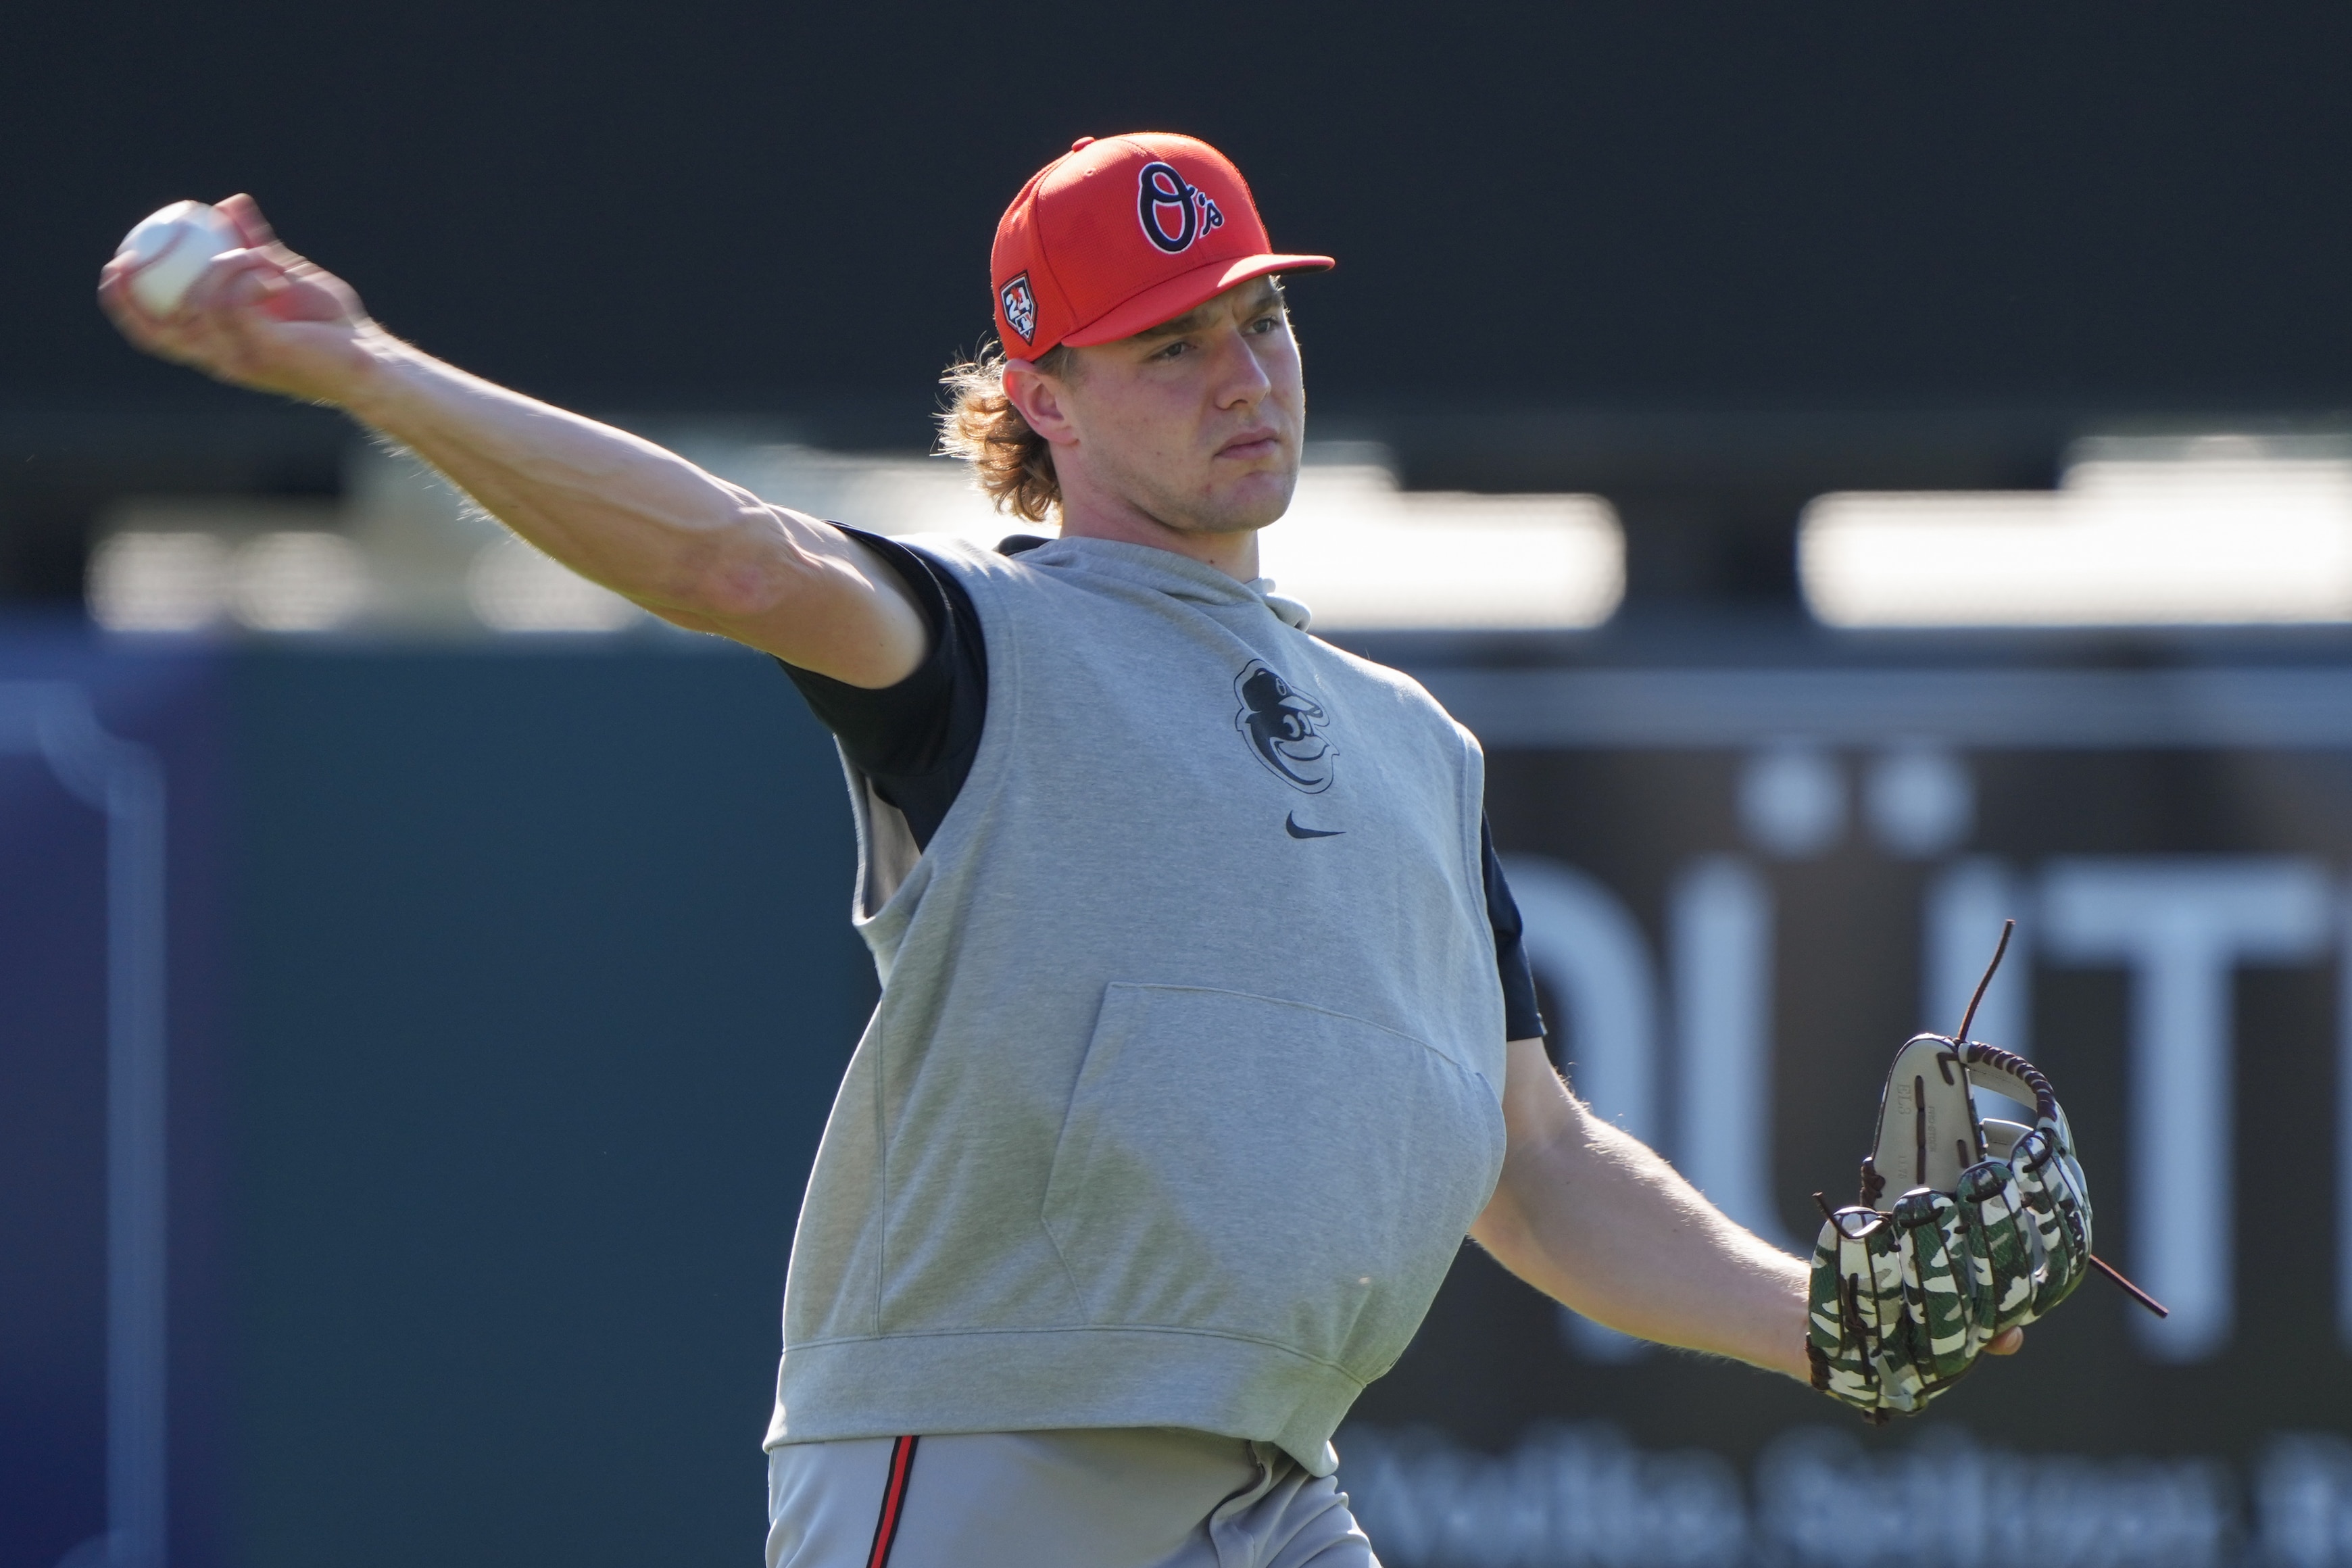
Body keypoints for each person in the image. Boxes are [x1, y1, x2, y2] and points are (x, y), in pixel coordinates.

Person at [101, 132, 2017, 1568]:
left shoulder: (1416, 749)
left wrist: (1828, 1322)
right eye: (1167, 345)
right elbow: (735, 561)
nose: (1245, 370)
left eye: (1258, 317)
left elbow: (1537, 1165)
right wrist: (365, 370)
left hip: (1275, 1490)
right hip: (981, 1465)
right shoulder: (981, 648)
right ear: (1042, 399)